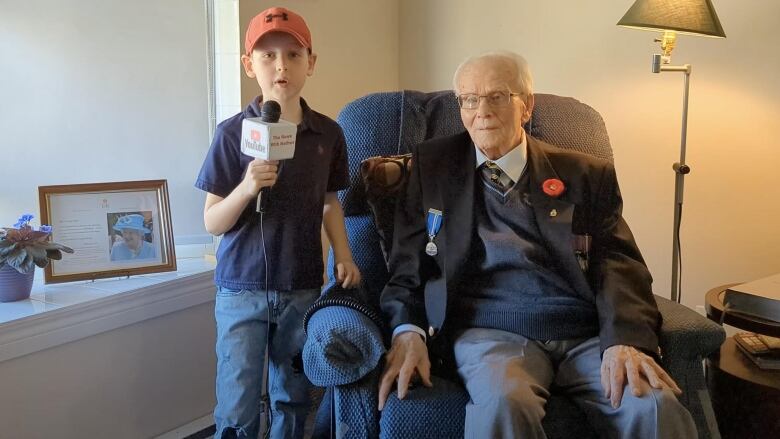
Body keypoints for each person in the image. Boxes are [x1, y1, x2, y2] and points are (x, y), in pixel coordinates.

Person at [377, 51, 697, 438]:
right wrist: (406, 330)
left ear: (526, 106)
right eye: (469, 99)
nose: (482, 111)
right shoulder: (434, 165)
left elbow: (619, 264)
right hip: (491, 332)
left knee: (655, 408)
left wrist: (626, 339)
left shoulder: (585, 174)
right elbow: (409, 263)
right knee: (504, 404)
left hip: (586, 335)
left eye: (497, 96)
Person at [194, 7, 361, 439]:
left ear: (311, 62)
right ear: (249, 65)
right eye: (267, 56)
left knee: (293, 396)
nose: (281, 66)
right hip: (240, 289)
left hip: (301, 284)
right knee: (238, 399)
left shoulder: (328, 135)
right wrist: (248, 187)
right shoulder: (232, 134)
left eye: (292, 54)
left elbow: (329, 201)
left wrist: (343, 254)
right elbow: (213, 221)